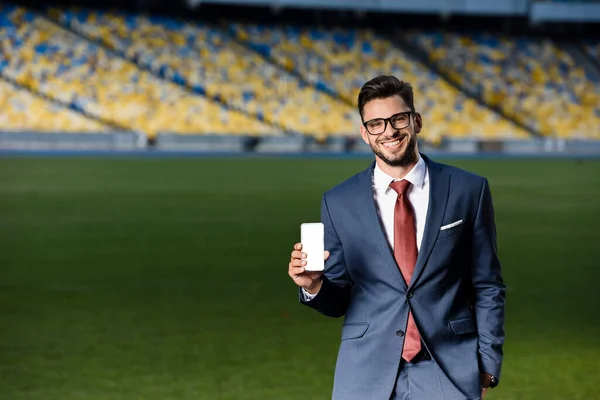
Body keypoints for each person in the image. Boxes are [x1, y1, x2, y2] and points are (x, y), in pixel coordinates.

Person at [287, 75, 505, 400]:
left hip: (449, 369)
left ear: (416, 121)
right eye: (376, 123)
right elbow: (339, 302)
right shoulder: (339, 201)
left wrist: (487, 362)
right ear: (364, 133)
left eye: (398, 118)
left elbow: (487, 285)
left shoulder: (468, 190)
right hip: (364, 373)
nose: (388, 131)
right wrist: (313, 285)